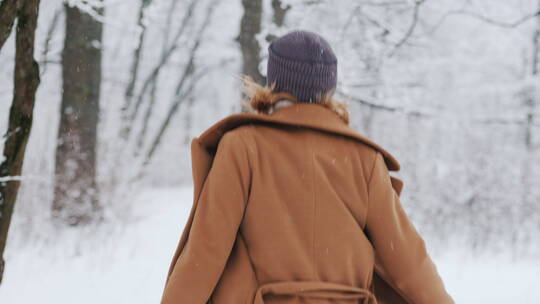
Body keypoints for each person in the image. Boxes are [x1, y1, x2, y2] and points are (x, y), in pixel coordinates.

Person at [160, 29, 454, 304]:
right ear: (329, 89)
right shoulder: (364, 159)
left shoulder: (243, 146)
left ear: (272, 82)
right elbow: (408, 260)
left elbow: (207, 250)